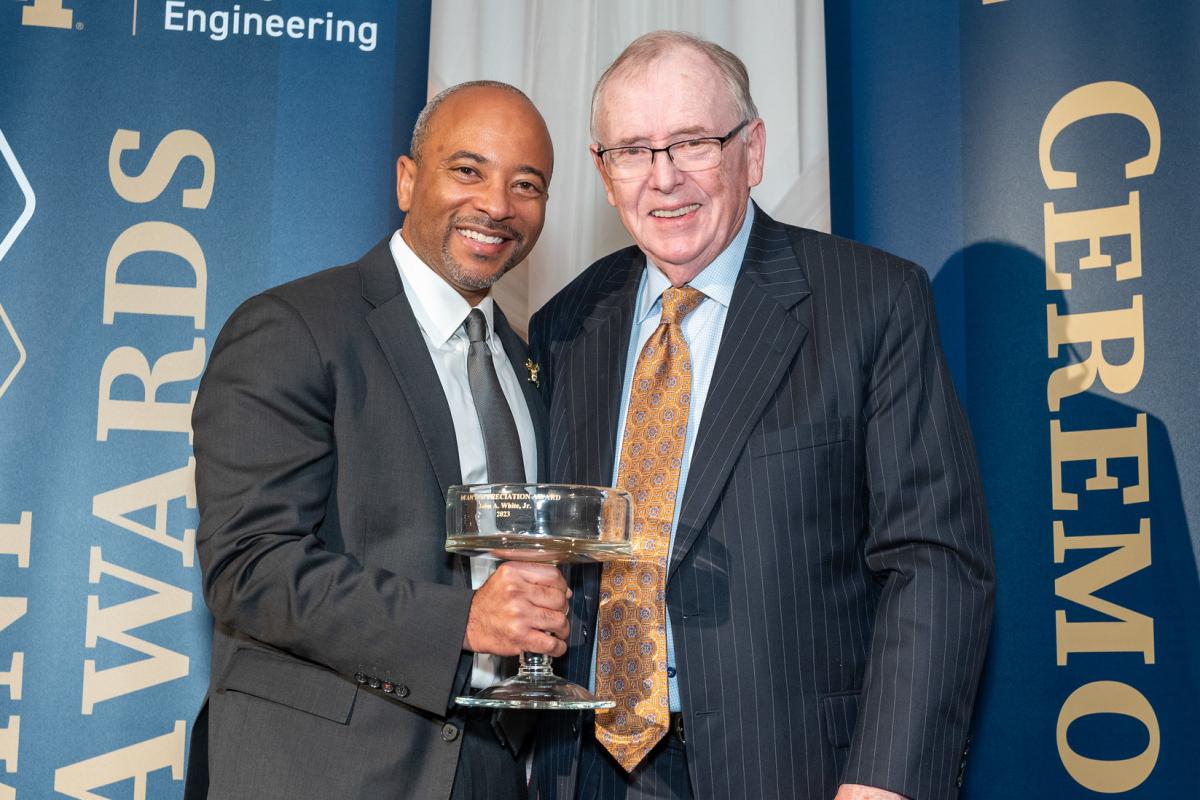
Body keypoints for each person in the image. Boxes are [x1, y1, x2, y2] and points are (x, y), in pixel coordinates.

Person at [528, 32, 994, 800]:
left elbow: (936, 563)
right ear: (603, 173)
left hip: (796, 770)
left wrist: (886, 782)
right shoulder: (566, 324)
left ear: (753, 149)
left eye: (693, 142)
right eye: (634, 151)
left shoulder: (870, 302)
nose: (664, 177)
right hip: (587, 770)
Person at [184, 81, 568, 799]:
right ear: (406, 179)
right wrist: (463, 621)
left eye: (527, 184)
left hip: (491, 772)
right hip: (322, 773)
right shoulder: (295, 328)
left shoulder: (528, 364)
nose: (497, 205)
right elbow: (249, 569)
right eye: (468, 170)